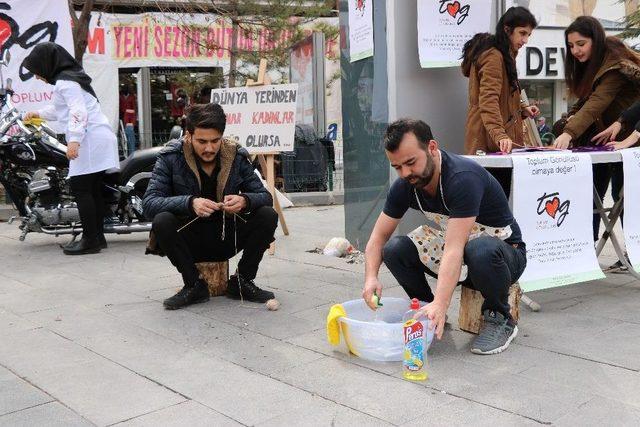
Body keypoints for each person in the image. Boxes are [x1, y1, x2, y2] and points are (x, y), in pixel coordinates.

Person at [363, 119, 527, 355]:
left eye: (411, 162)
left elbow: (454, 248)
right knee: (395, 249)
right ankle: (428, 309)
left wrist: (444, 302)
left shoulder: (462, 178)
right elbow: (378, 237)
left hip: (503, 254)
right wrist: (371, 277)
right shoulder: (404, 185)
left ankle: (500, 317)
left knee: (480, 249)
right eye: (397, 167)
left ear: (431, 147)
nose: (406, 173)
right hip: (463, 254)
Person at [142, 103, 278, 310]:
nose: (209, 148)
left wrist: (245, 201)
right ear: (189, 135)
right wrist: (189, 203)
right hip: (189, 239)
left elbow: (265, 197)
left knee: (267, 215)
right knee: (162, 221)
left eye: (215, 141)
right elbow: (149, 204)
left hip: (227, 236)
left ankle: (242, 281)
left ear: (222, 136)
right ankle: (194, 285)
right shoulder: (170, 157)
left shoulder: (236, 155)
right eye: (202, 141)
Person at [23, 42, 119, 255]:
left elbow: (77, 111)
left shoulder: (66, 83)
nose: (37, 77)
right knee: (92, 189)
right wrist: (37, 113)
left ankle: (90, 240)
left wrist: (74, 140)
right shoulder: (70, 79)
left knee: (81, 188)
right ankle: (97, 238)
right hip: (97, 137)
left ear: (47, 64)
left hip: (89, 139)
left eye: (37, 71)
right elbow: (63, 111)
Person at [552, 17, 640, 242]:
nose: (575, 51)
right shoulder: (596, 64)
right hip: (605, 142)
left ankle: (633, 252)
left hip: (631, 143)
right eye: (571, 46)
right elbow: (586, 102)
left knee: (624, 195)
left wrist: (568, 132)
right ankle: (586, 246)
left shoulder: (614, 66)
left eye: (581, 44)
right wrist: (568, 120)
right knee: (590, 192)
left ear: (596, 39)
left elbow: (597, 102)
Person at [462, 6, 539, 196]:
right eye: (522, 33)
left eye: (528, 35)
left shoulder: (505, 54)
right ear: (507, 29)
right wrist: (500, 135)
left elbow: (503, 97)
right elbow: (487, 101)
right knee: (491, 208)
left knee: (495, 205)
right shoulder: (494, 56)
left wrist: (523, 109)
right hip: (489, 145)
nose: (525, 40)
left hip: (496, 144)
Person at [119, 85, 137, 155]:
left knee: (130, 133)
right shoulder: (120, 96)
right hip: (122, 115)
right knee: (124, 133)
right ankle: (125, 150)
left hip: (130, 116)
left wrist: (134, 119)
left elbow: (134, 107)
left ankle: (131, 152)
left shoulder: (132, 96)